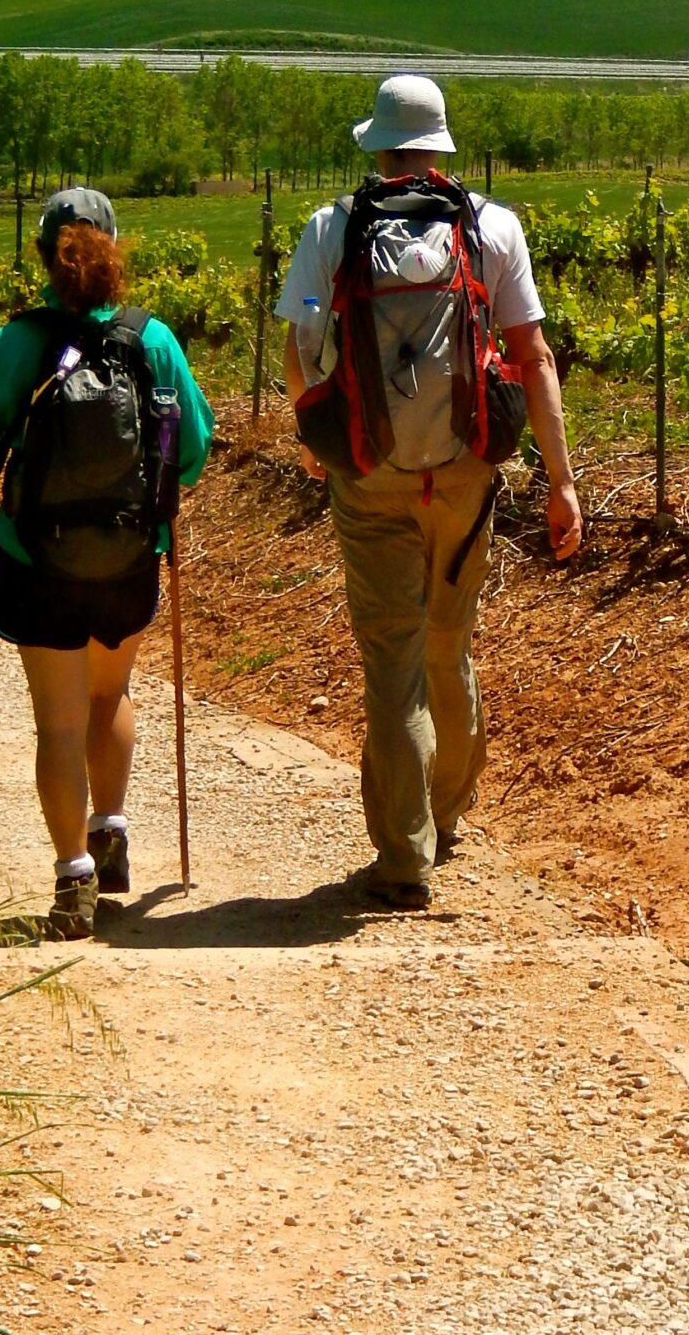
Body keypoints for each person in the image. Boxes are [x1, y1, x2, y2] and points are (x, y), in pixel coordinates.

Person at [278, 73, 582, 911]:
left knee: (392, 663)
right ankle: (445, 817)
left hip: (371, 471)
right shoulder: (491, 226)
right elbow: (533, 358)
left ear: (375, 145)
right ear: (441, 143)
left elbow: (300, 350)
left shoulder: (331, 227)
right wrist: (560, 481)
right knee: (449, 642)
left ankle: (402, 858)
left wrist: (323, 444)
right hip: (466, 469)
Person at [0, 189, 213, 939]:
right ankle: (110, 831)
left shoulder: (16, 344)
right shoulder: (152, 340)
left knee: (57, 722)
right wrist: (149, 502)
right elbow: (196, 446)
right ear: (114, 244)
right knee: (109, 695)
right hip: (127, 556)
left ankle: (73, 882)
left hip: (36, 558)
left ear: (46, 255)